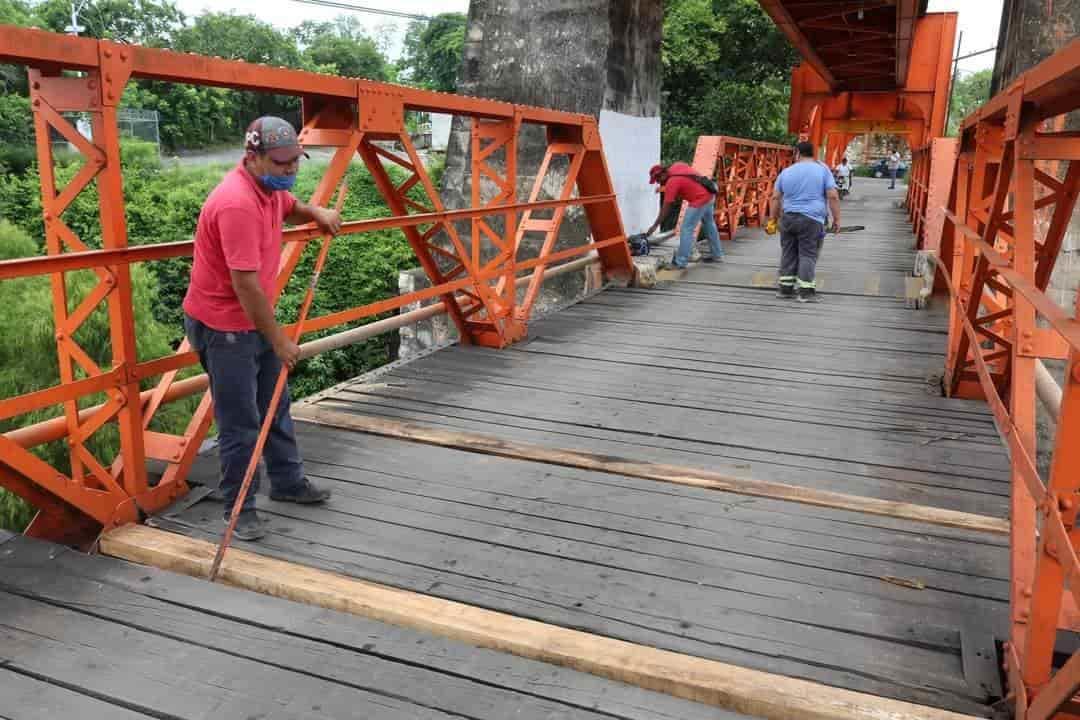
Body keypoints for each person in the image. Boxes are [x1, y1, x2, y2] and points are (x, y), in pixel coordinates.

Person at [182, 116, 343, 541]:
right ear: (252, 158)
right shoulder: (236, 203)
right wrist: (279, 341)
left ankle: (288, 483)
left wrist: (317, 212)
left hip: (251, 319)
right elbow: (245, 284)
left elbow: (290, 206)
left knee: (275, 402)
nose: (291, 170)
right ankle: (239, 508)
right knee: (240, 421)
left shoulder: (270, 190)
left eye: (296, 162)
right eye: (282, 163)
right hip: (224, 326)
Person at [766, 141, 840, 303]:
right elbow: (833, 196)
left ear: (797, 153)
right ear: (812, 154)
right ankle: (805, 292)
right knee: (808, 254)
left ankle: (785, 289)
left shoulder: (786, 172)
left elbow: (775, 198)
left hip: (788, 218)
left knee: (788, 253)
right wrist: (836, 219)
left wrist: (773, 219)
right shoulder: (822, 170)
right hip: (812, 219)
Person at [645, 162, 723, 269]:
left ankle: (680, 262)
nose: (658, 183)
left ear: (662, 175)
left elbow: (666, 209)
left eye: (658, 180)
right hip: (710, 192)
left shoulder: (672, 183)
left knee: (686, 229)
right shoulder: (677, 166)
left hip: (699, 200)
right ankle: (717, 255)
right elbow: (687, 180)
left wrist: (654, 226)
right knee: (709, 224)